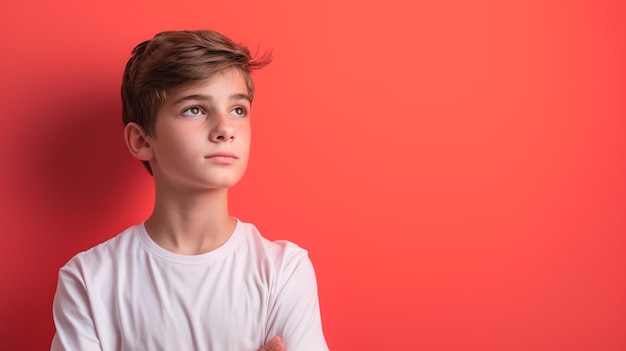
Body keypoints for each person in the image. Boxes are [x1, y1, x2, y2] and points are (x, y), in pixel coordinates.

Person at [51, 30, 329, 351]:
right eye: (194, 109)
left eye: (238, 110)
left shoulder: (283, 271)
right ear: (142, 140)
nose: (226, 129)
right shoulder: (89, 280)